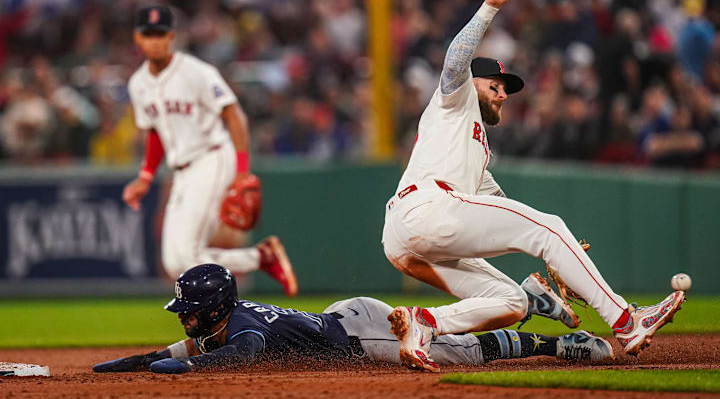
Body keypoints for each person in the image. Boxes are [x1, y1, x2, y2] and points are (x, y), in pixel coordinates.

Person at [381, 0, 684, 371]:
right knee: (550, 227)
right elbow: (455, 59)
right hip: (426, 208)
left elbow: (502, 215)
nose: (504, 94)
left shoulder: (474, 149)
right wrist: (490, 6)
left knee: (512, 301)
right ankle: (628, 321)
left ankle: (425, 324)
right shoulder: (455, 99)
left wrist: (564, 261)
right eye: (495, 85)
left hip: (405, 238)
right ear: (472, 84)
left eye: (505, 89)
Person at [92, 264, 614, 374]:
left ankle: (552, 343)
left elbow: (242, 356)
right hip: (347, 322)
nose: (184, 321)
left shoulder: (241, 329)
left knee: (458, 350)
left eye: (189, 310)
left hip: (363, 335)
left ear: (211, 308)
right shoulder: (226, 322)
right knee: (448, 339)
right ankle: (523, 301)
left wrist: (184, 371)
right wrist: (122, 365)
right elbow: (171, 352)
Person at [121, 6, 297, 296]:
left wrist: (242, 171)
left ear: (171, 37)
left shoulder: (196, 72)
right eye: (148, 34)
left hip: (212, 157)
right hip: (181, 171)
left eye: (160, 34)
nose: (154, 41)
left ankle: (224, 305)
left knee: (189, 254)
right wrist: (145, 176)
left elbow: (234, 115)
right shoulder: (138, 84)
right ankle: (262, 257)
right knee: (174, 261)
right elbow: (154, 132)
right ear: (137, 39)